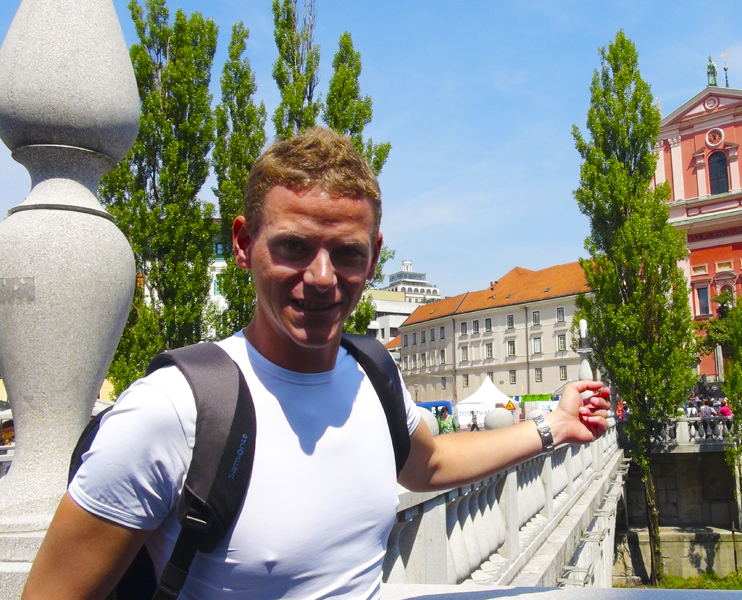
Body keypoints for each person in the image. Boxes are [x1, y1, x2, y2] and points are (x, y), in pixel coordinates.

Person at [22, 128, 611, 599]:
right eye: (293, 247)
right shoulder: (171, 410)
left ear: (375, 255)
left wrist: (553, 426)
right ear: (242, 242)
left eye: (347, 253)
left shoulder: (371, 371)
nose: (322, 279)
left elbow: (428, 464)